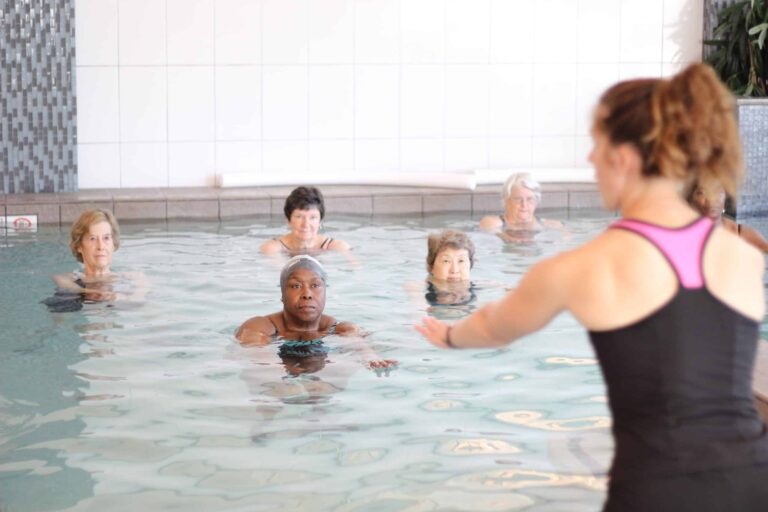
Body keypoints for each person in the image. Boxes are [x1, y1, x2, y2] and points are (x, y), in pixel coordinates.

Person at [416, 64, 768, 511]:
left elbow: (492, 327)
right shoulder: (740, 255)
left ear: (623, 157)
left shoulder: (589, 264)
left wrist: (447, 334)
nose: (589, 160)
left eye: (596, 145)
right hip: (754, 477)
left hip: (660, 486)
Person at [236, 255, 397, 371]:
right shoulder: (260, 326)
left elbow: (360, 346)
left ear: (325, 292)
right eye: (296, 286)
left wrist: (370, 357)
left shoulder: (341, 329)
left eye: (315, 285)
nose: (307, 294)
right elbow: (259, 365)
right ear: (282, 294)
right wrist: (283, 382)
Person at [47, 209, 147, 310]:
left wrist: (122, 297)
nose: (101, 246)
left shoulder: (132, 279)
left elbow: (141, 303)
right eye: (93, 238)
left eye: (106, 238)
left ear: (113, 244)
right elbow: (59, 279)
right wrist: (90, 292)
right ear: (79, 246)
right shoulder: (71, 282)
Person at [260, 186, 350, 254]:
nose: (306, 224)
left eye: (313, 218)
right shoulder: (272, 248)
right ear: (288, 220)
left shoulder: (338, 247)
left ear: (320, 221)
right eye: (299, 217)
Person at [687, 180, 768, 252]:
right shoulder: (683, 234)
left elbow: (764, 247)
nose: (712, 198)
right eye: (702, 193)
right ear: (692, 200)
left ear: (725, 198)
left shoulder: (739, 232)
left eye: (718, 191)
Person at [478, 172, 563, 235]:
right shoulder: (492, 223)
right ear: (506, 200)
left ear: (536, 201)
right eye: (518, 199)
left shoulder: (554, 225)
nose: (524, 205)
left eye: (529, 199)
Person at [424, 230, 476, 307]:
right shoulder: (418, 290)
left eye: (461, 261)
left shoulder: (487, 287)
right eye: (446, 261)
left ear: (470, 265)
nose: (454, 270)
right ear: (431, 266)